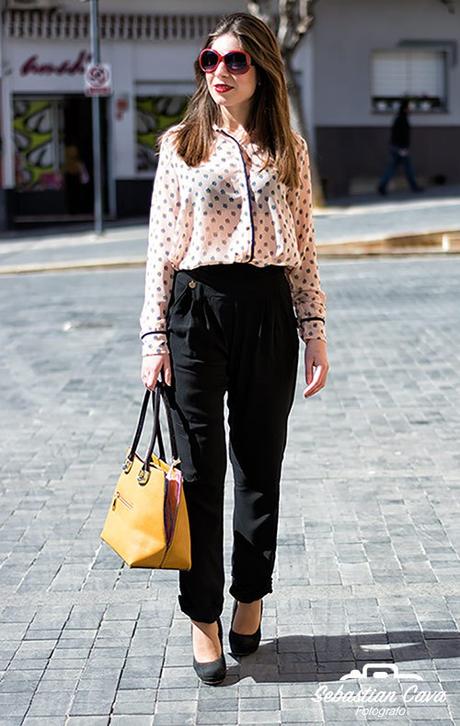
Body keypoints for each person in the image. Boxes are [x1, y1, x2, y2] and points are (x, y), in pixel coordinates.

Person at [139, 11, 329, 685]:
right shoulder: (182, 144)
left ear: (263, 68)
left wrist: (314, 330)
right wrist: (153, 335)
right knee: (196, 477)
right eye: (210, 59)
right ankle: (203, 618)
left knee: (259, 468)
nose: (219, 71)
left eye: (234, 61)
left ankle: (249, 599)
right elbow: (161, 248)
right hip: (197, 311)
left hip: (269, 311)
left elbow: (303, 247)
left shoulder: (289, 149)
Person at [378, 98, 423, 195]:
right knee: (407, 168)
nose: (411, 109)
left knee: (392, 168)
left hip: (396, 147)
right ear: (405, 108)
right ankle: (414, 186)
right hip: (400, 148)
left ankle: (382, 186)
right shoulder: (402, 119)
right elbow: (401, 135)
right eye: (409, 107)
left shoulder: (400, 118)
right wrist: (403, 148)